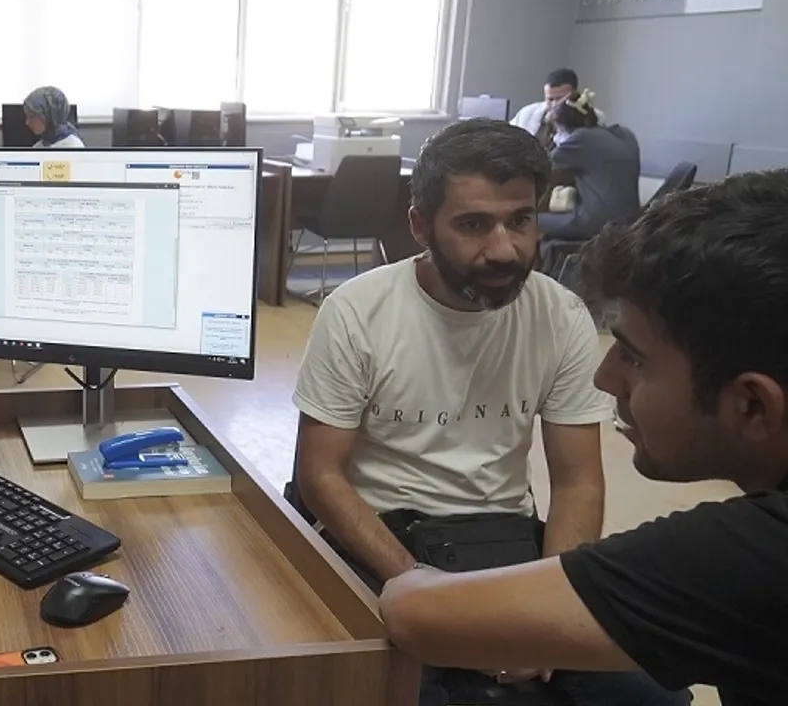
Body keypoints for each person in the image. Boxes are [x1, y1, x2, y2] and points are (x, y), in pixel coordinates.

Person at [290, 118, 687, 706]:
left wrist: (550, 610)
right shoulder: (357, 312)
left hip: (502, 540)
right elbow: (320, 476)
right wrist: (424, 588)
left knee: (653, 699)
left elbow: (577, 481)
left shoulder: (561, 315)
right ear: (420, 225)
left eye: (520, 221)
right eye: (474, 224)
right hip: (383, 539)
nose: (504, 249)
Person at [379, 168, 788, 706]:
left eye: (634, 358)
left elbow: (414, 612)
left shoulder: (752, 556)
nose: (605, 377)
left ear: (753, 406)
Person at [536, 89, 641, 269]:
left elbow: (538, 166)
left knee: (528, 220)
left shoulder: (581, 139)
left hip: (596, 222)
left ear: (564, 127)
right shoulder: (625, 134)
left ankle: (537, 279)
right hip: (630, 221)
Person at [510, 68, 607, 148]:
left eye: (560, 99)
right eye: (550, 99)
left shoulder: (593, 117)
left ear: (575, 94)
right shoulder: (527, 113)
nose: (554, 104)